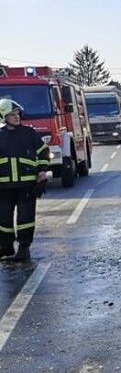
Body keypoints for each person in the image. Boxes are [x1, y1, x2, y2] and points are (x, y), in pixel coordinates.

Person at [0, 99, 50, 261]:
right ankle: (6, 247)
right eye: (12, 115)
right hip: (4, 187)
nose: (16, 117)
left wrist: (42, 171)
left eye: (17, 114)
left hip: (27, 185)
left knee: (25, 219)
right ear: (3, 117)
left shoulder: (29, 133)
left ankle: (24, 248)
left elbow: (43, 152)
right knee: (3, 220)